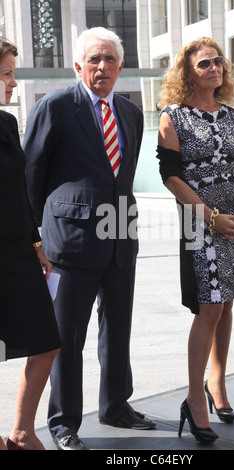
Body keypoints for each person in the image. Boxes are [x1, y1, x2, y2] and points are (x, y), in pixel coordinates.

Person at [23, 27, 155, 451]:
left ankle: (116, 405)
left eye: (110, 59)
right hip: (70, 242)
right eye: (93, 59)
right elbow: (31, 176)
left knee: (118, 329)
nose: (102, 67)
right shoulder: (56, 106)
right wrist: (37, 235)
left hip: (120, 234)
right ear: (78, 65)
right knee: (67, 337)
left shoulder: (131, 113)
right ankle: (63, 423)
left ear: (121, 65)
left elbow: (124, 175)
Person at [157, 37, 234, 444]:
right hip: (201, 223)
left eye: (218, 62)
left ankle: (217, 383)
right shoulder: (173, 116)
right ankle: (193, 398)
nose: (214, 68)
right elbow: (170, 175)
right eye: (204, 64)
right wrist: (211, 217)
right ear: (187, 72)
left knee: (227, 301)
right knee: (210, 307)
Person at [0, 38, 60, 451]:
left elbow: (19, 191)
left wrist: (36, 242)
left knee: (46, 339)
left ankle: (22, 431)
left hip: (17, 251)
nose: (13, 83)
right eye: (6, 74)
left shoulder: (6, 123)